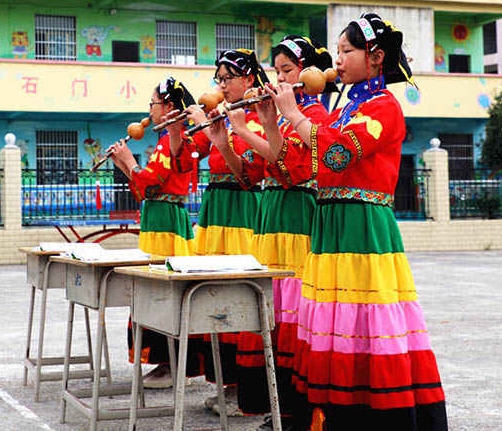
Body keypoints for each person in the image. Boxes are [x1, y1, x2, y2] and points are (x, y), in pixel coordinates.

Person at [266, 14, 448, 430]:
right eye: (340, 51)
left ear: (375, 57)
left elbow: (336, 155)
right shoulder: (346, 107)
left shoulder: (384, 107)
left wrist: (294, 115)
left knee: (364, 321)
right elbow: (300, 166)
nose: (339, 59)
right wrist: (266, 117)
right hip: (331, 224)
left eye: (348, 51)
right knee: (335, 320)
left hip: (363, 227)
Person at [226, 36, 334, 429]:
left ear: (309, 73)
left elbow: (291, 172)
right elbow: (256, 171)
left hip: (297, 221)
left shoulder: (317, 115)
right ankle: (273, 402)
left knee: (293, 313)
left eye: (288, 71)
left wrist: (251, 126)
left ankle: (292, 410)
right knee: (273, 312)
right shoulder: (288, 114)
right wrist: (234, 135)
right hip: (272, 220)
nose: (281, 78)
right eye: (279, 71)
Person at [174, 49, 268, 416]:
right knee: (214, 293)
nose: (222, 85)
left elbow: (249, 175)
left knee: (238, 293)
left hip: (241, 210)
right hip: (216, 211)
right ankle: (227, 382)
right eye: (219, 79)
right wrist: (179, 128)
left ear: (248, 79)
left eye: (228, 77)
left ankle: (244, 385)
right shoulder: (224, 118)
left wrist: (222, 136)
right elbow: (184, 162)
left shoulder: (256, 118)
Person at [109, 77, 201, 388]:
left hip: (167, 224)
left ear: (169, 107)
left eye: (153, 103)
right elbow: (144, 188)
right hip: (157, 217)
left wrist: (129, 161)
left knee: (163, 290)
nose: (149, 109)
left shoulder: (172, 141)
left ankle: (173, 364)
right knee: (152, 289)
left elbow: (151, 179)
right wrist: (124, 164)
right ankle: (164, 362)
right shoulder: (163, 141)